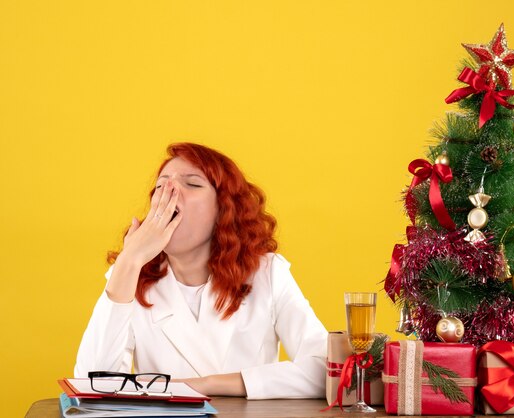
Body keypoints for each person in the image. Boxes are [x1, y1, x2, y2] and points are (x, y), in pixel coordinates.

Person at [74, 142, 328, 399]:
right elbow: (90, 387)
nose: (169, 192)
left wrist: (204, 385)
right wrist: (128, 263)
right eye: (161, 186)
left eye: (192, 184)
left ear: (224, 210)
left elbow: (327, 371)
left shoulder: (267, 273)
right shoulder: (130, 277)